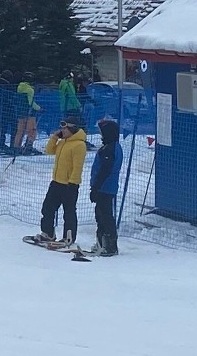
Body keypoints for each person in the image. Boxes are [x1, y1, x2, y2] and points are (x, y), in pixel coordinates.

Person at [32, 115, 87, 246]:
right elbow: (50, 151)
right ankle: (48, 233)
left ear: (72, 129)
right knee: (47, 208)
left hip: (69, 184)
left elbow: (77, 166)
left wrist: (72, 183)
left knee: (68, 212)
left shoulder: (79, 145)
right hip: (56, 182)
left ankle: (69, 237)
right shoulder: (63, 142)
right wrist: (55, 137)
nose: (62, 130)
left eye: (65, 128)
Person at [90, 119, 123, 256]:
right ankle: (101, 242)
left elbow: (105, 171)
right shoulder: (110, 146)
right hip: (105, 187)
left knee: (105, 215)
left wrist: (96, 188)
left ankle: (110, 245)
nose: (101, 136)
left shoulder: (110, 149)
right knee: (100, 214)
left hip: (105, 188)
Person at [13, 72, 42, 152]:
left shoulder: (19, 87)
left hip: (20, 112)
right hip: (29, 113)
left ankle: (16, 147)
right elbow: (31, 102)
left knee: (20, 131)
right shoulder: (30, 90)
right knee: (32, 130)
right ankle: (28, 146)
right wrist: (39, 108)